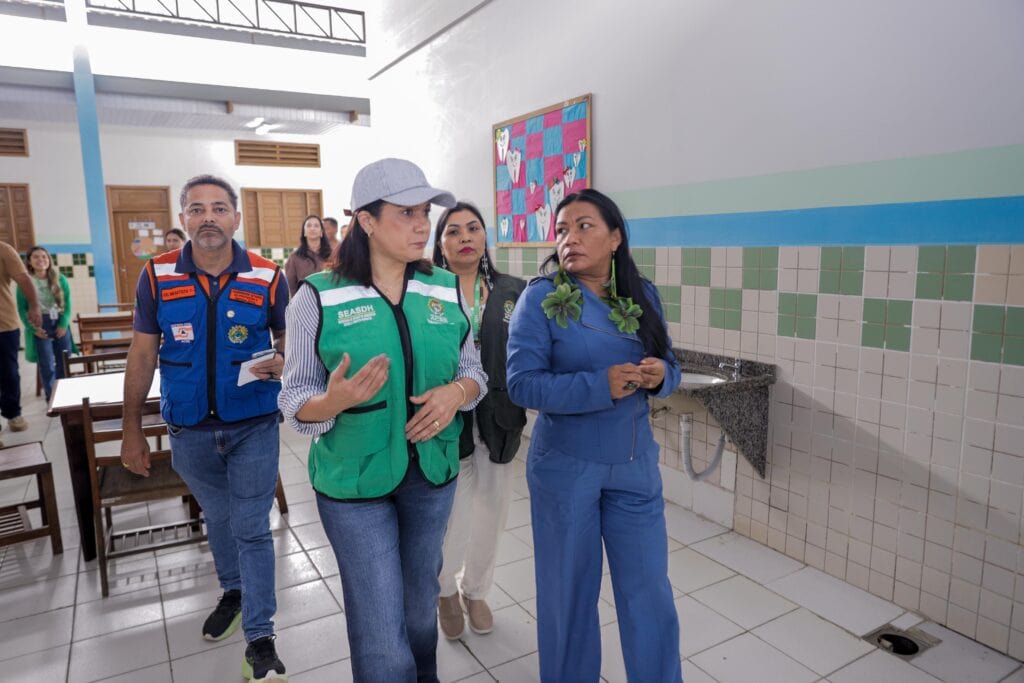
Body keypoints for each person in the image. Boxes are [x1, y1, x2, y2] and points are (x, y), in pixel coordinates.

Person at [278, 158, 487, 683]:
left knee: (419, 607)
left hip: (431, 474)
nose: (423, 225)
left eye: (424, 212)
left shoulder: (444, 287)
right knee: (377, 621)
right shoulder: (317, 296)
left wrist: (455, 393)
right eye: (406, 213)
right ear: (366, 222)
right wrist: (334, 401)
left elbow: (474, 370)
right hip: (355, 485)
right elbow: (294, 398)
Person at [507, 188, 683, 683]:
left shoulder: (642, 294)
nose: (570, 238)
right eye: (562, 230)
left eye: (584, 226)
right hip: (566, 469)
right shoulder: (540, 298)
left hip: (634, 466)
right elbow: (522, 384)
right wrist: (599, 385)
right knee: (569, 594)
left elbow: (672, 362)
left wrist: (659, 376)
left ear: (615, 238)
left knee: (648, 590)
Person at [120, 174, 289, 682]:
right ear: (184, 219)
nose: (208, 217)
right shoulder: (156, 275)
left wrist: (286, 360)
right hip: (188, 427)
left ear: (237, 218)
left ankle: (260, 638)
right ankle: (233, 590)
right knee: (219, 517)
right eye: (197, 209)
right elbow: (143, 351)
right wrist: (132, 427)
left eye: (219, 208)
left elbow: (291, 341)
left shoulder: (267, 275)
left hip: (254, 422)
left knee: (252, 527)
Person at [431, 201, 526, 639]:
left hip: (499, 419)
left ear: (485, 237)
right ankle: (445, 591)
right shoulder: (424, 290)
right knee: (450, 518)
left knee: (492, 512)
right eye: (453, 231)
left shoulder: (513, 291)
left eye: (473, 228)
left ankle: (476, 591)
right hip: (444, 421)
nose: (464, 237)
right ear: (440, 243)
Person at [16, 246, 76, 402]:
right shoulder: (25, 282)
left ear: (49, 260)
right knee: (47, 363)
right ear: (29, 261)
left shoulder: (60, 279)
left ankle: (67, 393)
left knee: (64, 360)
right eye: (36, 257)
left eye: (44, 256)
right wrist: (33, 328)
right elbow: (22, 309)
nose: (41, 260)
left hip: (59, 322)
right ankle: (53, 397)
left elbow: (68, 304)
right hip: (40, 324)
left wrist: (63, 324)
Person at [0, 240, 41, 445]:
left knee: (8, 372)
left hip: (4, 325)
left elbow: (23, 279)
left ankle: (13, 413)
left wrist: (34, 306)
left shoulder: (3, 250)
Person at [283, 215, 331, 296]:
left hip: (329, 300)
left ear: (321, 232)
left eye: (316, 225)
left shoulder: (332, 254)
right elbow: (291, 285)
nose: (312, 228)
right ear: (304, 232)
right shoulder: (294, 257)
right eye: (309, 225)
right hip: (305, 302)